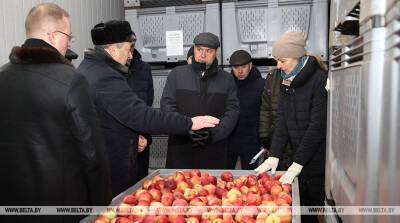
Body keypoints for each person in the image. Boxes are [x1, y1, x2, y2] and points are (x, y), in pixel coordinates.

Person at [77, 21, 219, 197]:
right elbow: (141, 115)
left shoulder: (88, 68)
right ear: (113, 49)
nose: (130, 56)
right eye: (128, 49)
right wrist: (189, 122)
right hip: (110, 165)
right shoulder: (105, 77)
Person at [0, 3, 112, 222]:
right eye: (68, 37)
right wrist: (101, 206)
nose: (69, 42)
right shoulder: (71, 80)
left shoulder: (2, 76)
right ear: (52, 36)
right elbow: (91, 153)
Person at [255, 32, 327, 223]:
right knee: (296, 209)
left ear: (297, 57)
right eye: (277, 60)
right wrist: (274, 154)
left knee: (311, 210)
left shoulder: (319, 80)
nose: (278, 65)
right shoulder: (287, 79)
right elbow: (283, 120)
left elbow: (317, 127)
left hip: (315, 158)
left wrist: (298, 163)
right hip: (297, 155)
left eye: (282, 60)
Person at [161, 32, 240, 169]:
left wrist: (214, 134)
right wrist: (184, 127)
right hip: (181, 147)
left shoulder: (226, 79)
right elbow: (167, 106)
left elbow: (232, 112)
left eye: (208, 51)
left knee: (211, 188)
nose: (203, 55)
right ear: (193, 48)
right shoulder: (177, 74)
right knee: (177, 188)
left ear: (217, 52)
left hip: (214, 149)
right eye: (199, 50)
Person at [227, 50, 264, 170]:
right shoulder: (226, 85)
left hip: (252, 141)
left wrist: (265, 139)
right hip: (228, 141)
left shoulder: (262, 85)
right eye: (236, 67)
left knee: (251, 179)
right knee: (225, 177)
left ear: (250, 65)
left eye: (243, 66)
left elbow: (266, 114)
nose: (240, 71)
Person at [127, 32, 154, 181]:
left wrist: (145, 137)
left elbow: (147, 105)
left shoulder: (144, 68)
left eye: (132, 46)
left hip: (142, 139)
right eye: (127, 46)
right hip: (122, 142)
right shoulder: (110, 71)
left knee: (142, 186)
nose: (130, 52)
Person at [259, 68, 293, 170]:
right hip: (277, 136)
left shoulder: (307, 76)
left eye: (281, 60)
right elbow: (265, 108)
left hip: (298, 139)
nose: (278, 65)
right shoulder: (272, 76)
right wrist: (264, 135)